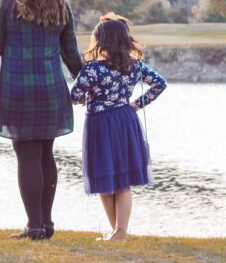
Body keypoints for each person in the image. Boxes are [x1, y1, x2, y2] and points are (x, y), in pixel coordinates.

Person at [0, 0, 83, 241]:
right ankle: (46, 224)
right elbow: (71, 53)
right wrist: (87, 84)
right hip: (50, 88)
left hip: (17, 89)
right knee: (46, 154)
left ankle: (34, 226)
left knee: (27, 157)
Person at [70, 17, 167, 242]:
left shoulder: (92, 69)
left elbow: (74, 97)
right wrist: (137, 104)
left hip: (100, 123)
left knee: (103, 177)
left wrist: (87, 95)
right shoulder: (134, 66)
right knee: (122, 179)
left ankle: (118, 231)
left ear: (101, 41)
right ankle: (119, 232)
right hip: (126, 120)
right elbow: (160, 83)